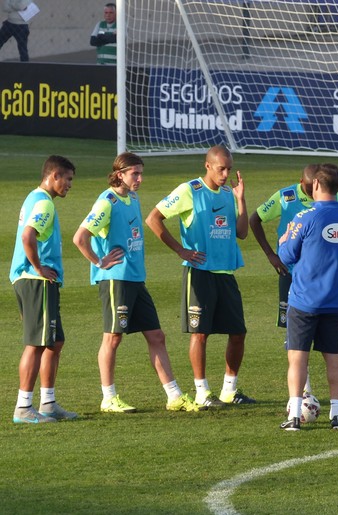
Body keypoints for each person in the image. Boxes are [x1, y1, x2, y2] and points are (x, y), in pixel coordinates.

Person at [73, 153, 201, 413]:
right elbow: (80, 237)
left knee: (156, 335)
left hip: (135, 279)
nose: (140, 179)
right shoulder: (106, 202)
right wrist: (99, 262)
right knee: (113, 337)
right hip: (115, 280)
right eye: (135, 174)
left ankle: (174, 396)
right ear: (119, 174)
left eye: (141, 173)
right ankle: (108, 398)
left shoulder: (132, 197)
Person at [146, 145, 255, 408]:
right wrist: (180, 249)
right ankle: (202, 392)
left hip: (226, 272)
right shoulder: (189, 191)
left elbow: (242, 233)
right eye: (221, 169)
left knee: (238, 333)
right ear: (207, 166)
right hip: (199, 274)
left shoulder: (230, 193)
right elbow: (153, 218)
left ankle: (229, 389)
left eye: (229, 169)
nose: (226, 174)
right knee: (200, 334)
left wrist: (241, 200)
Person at [249, 164, 338, 405]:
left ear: (319, 185)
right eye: (307, 188)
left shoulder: (320, 207)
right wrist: (271, 255)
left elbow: (289, 253)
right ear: (302, 182)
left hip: (312, 284)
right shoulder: (286, 196)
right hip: (308, 282)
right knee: (310, 344)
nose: (311, 193)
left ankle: (306, 404)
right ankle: (314, 395)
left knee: (310, 348)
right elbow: (255, 218)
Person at [278, 164, 338, 431]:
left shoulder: (305, 217)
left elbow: (287, 256)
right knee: (335, 357)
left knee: (298, 358)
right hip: (335, 300)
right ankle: (337, 414)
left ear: (315, 185)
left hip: (304, 299)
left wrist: (285, 238)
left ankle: (294, 415)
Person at [9, 155, 78, 424]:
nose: (70, 185)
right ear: (54, 176)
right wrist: (38, 268)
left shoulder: (33, 197)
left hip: (34, 282)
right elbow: (28, 236)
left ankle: (48, 403)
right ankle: (23, 407)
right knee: (36, 344)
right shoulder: (44, 204)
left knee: (54, 341)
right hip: (36, 281)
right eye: (68, 179)